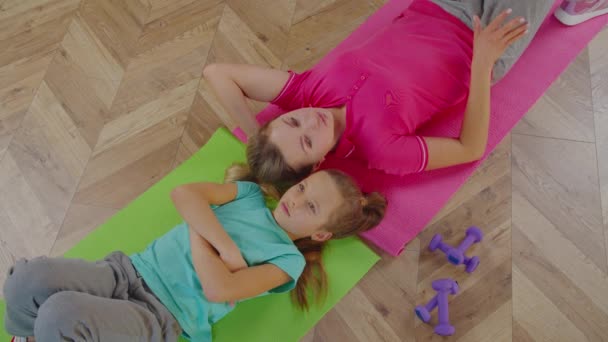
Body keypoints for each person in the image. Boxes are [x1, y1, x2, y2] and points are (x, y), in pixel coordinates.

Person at [204, 0, 606, 184]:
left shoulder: (307, 95)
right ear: (318, 162)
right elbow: (469, 148)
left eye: (291, 121)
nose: (310, 120)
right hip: (481, 45)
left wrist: (252, 132)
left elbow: (217, 72)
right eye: (307, 140)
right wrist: (483, 63)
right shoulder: (381, 150)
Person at [4, 168, 386, 342]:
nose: (296, 201)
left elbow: (218, 289)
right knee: (27, 279)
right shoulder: (250, 195)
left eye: (312, 208)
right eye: (303, 188)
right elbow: (183, 195)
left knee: (59, 313)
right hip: (126, 271)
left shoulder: (289, 261)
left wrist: (197, 224)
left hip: (160, 315)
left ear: (320, 233)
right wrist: (224, 247)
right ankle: (26, 336)